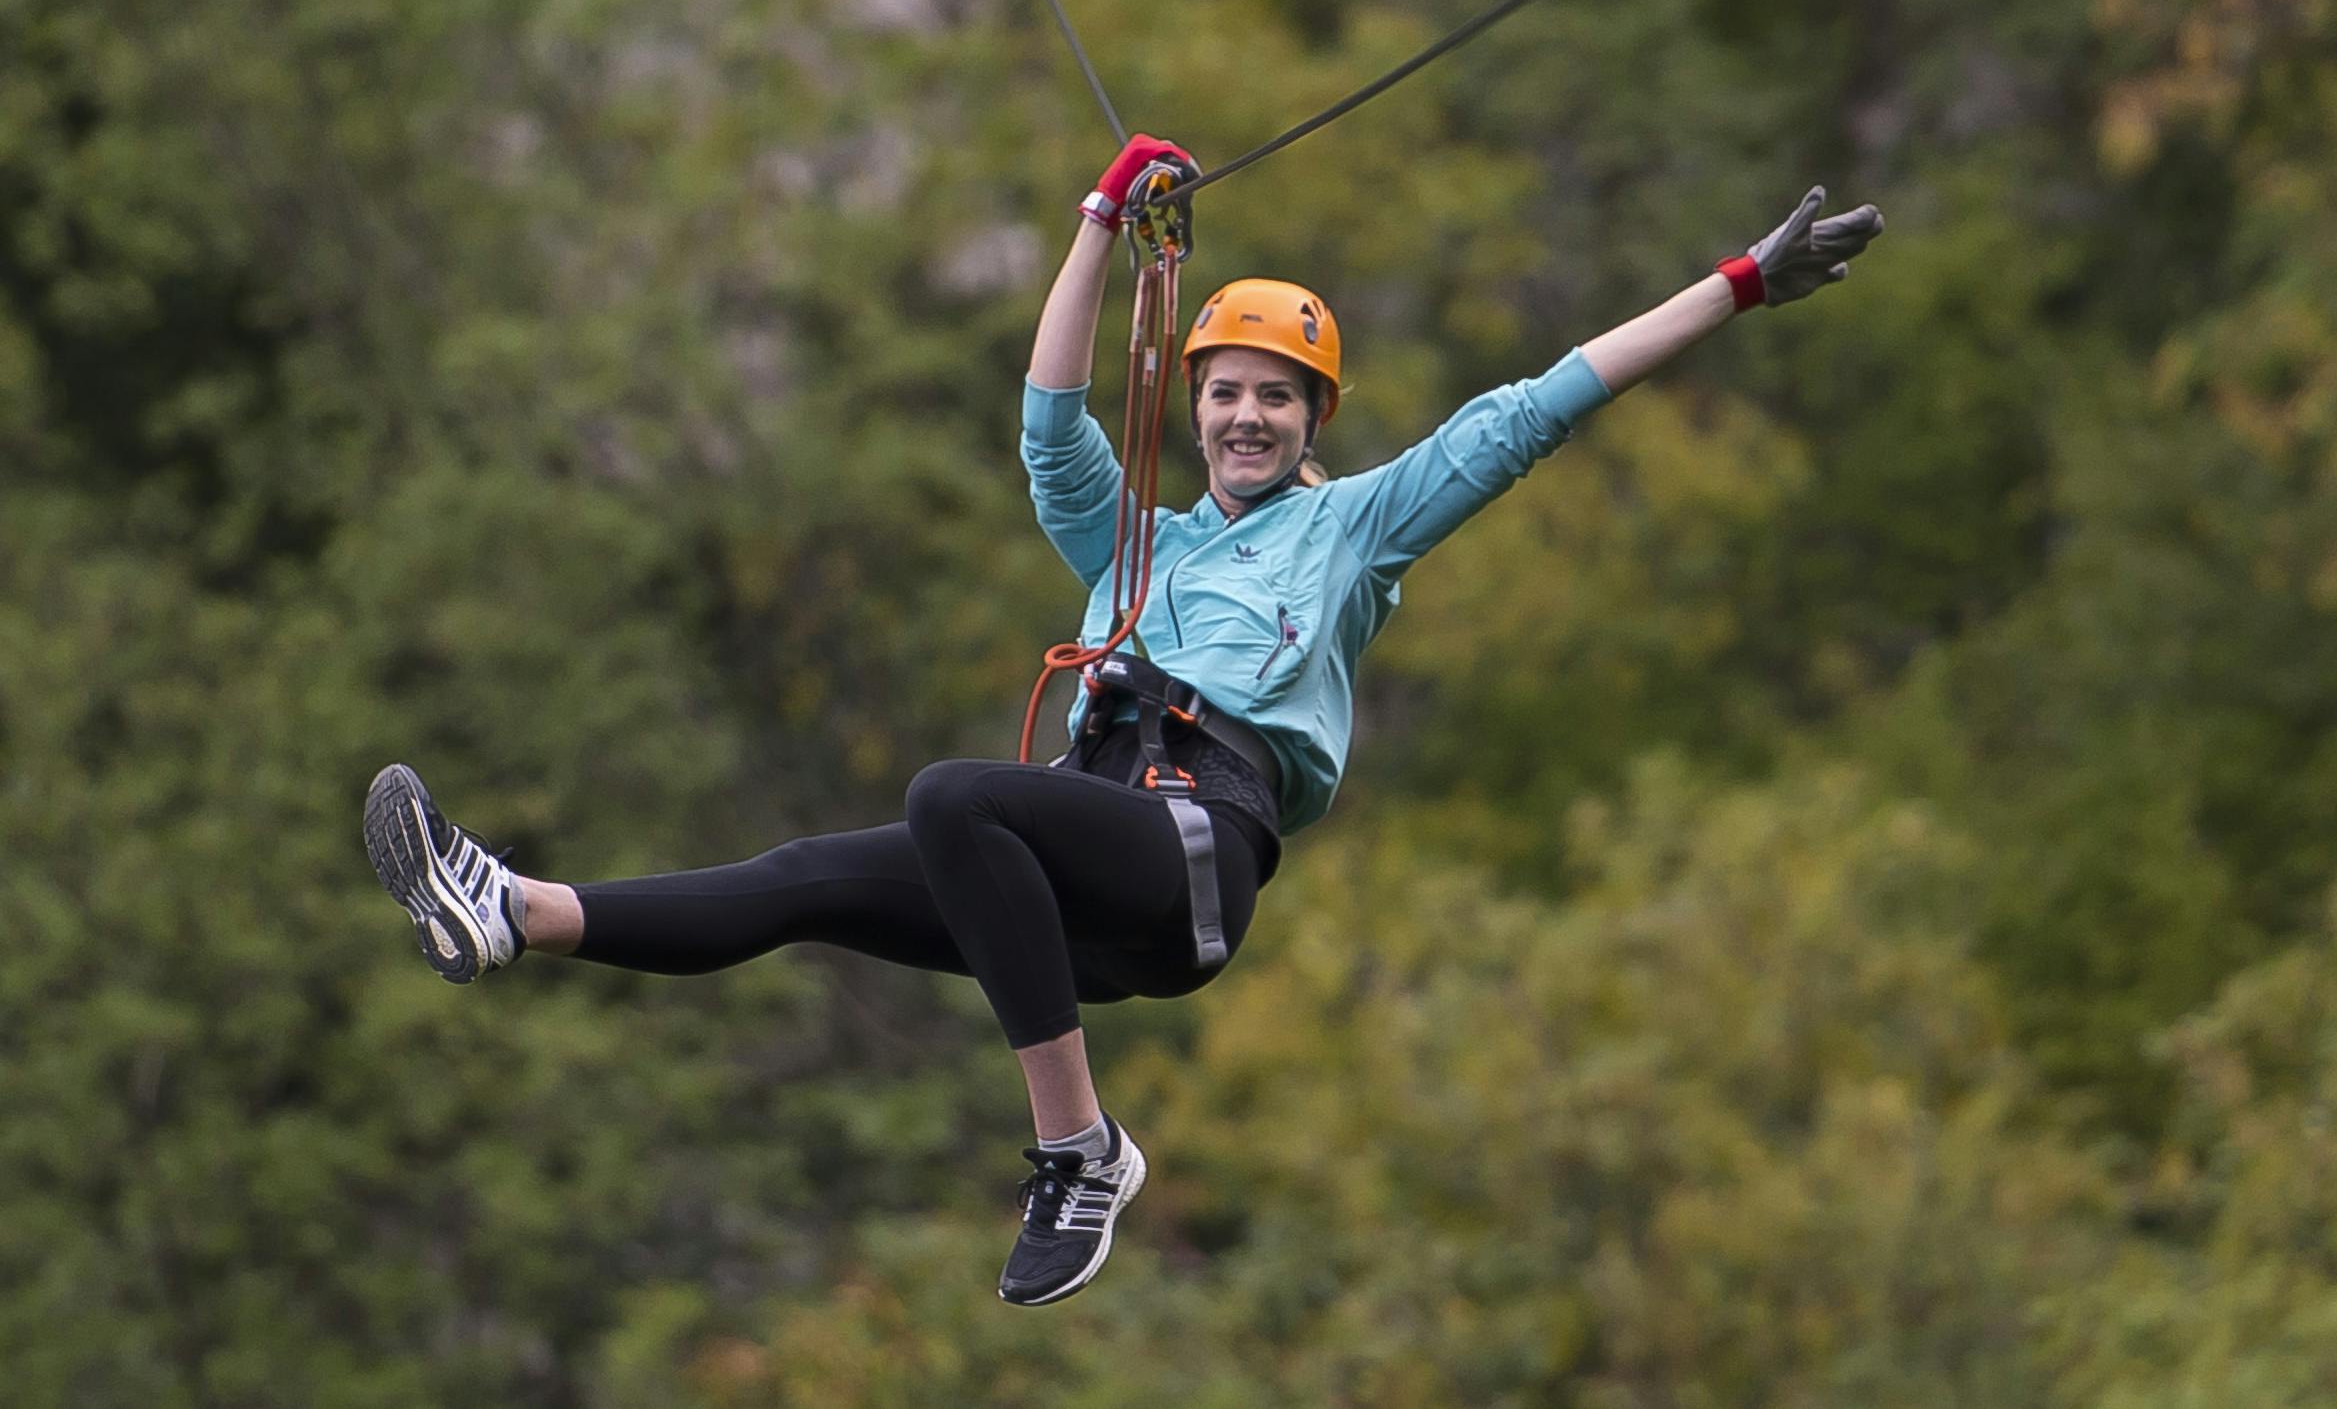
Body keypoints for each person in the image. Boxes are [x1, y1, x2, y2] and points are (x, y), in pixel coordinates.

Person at [361, 134, 1883, 1307]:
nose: (1242, 416)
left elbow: (1541, 402)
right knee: (812, 874)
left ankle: (1079, 1152)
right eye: (1224, 390)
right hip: (1085, 873)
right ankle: (518, 912)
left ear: (1314, 423)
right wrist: (1096, 227)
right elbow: (1044, 414)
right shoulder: (1128, 542)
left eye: (1275, 399)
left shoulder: (1352, 530)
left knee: (954, 796)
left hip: (1196, 849)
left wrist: (1737, 283)